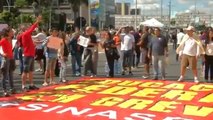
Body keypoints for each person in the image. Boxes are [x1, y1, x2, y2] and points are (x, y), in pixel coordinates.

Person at [20, 16, 42, 91]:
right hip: (27, 55)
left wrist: (34, 44)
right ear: (25, 29)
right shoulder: (25, 34)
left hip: (31, 55)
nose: (29, 27)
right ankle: (23, 86)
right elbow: (32, 28)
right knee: (25, 71)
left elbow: (30, 43)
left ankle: (31, 85)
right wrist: (37, 21)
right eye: (27, 27)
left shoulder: (27, 35)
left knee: (30, 71)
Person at [0, 27, 16, 96]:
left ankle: (12, 89)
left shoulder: (11, 40)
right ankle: (4, 90)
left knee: (11, 75)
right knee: (5, 75)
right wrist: (2, 54)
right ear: (7, 33)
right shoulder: (3, 40)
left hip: (11, 58)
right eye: (11, 31)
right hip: (6, 59)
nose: (12, 32)